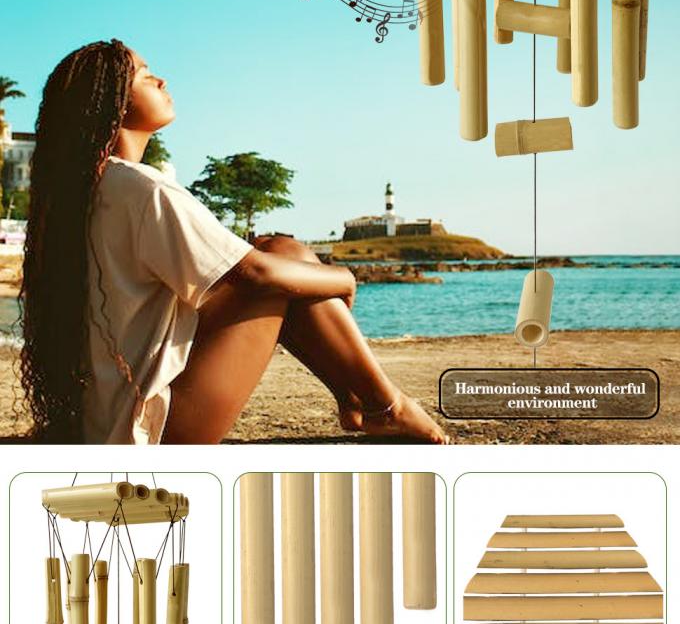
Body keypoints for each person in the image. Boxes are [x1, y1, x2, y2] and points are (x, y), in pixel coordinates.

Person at [21, 40, 446, 448]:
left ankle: (367, 401)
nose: (162, 82)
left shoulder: (93, 191)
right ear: (113, 100)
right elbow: (252, 274)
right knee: (282, 260)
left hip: (114, 420)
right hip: (151, 430)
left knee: (282, 256)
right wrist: (345, 278)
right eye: (145, 76)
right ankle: (384, 403)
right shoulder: (142, 189)